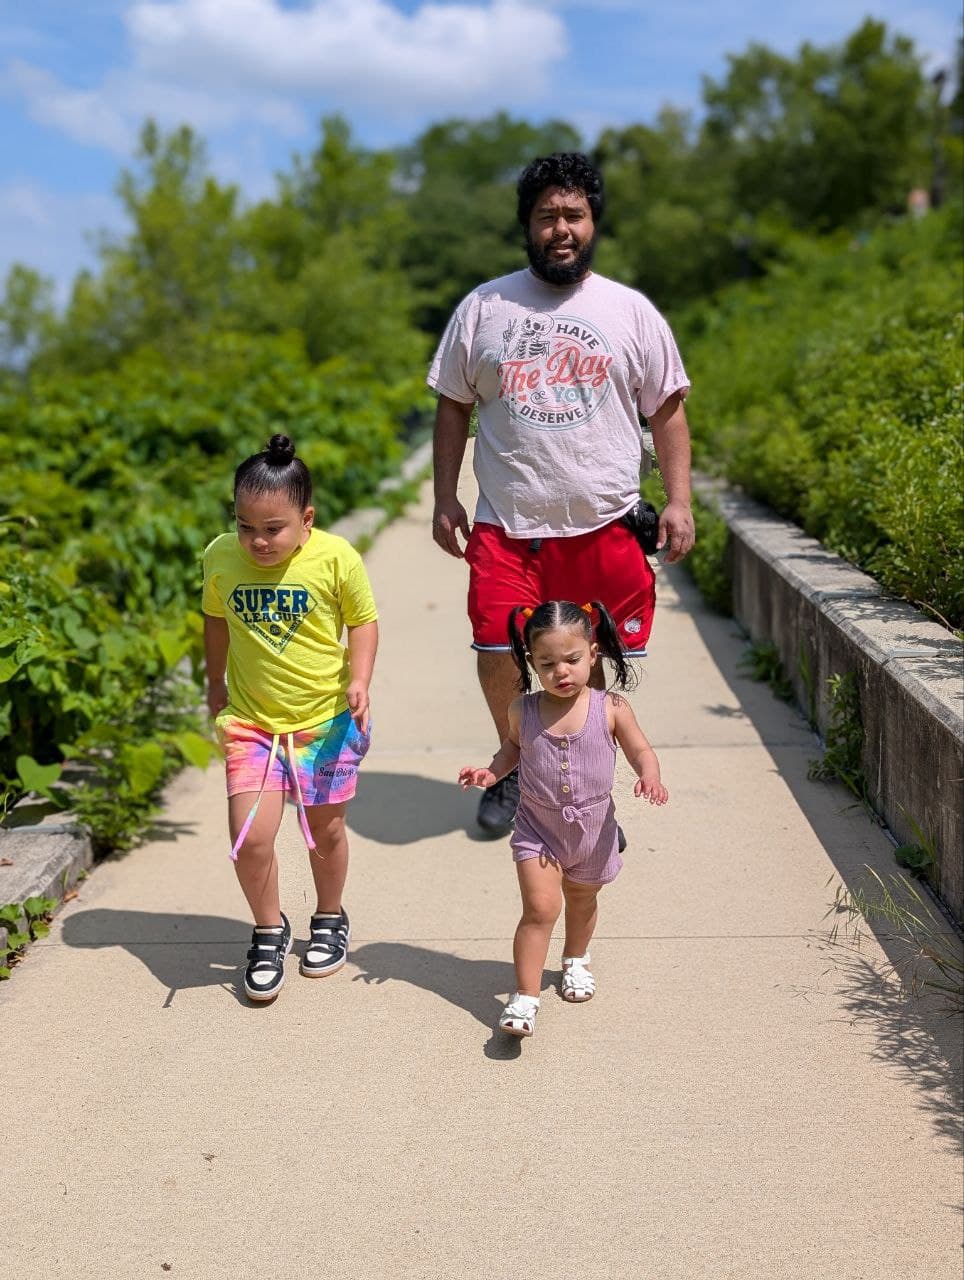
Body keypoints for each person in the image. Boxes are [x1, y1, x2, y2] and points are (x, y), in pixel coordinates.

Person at [428, 151, 693, 839]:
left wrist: (679, 499)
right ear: (528, 226)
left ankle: (585, 792)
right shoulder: (485, 306)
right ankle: (517, 767)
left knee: (586, 668)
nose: (561, 228)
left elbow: (666, 409)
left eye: (573, 214)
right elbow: (453, 406)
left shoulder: (629, 311)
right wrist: (445, 497)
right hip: (509, 526)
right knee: (496, 655)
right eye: (547, 216)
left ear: (593, 222)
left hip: (603, 526)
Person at [202, 434, 378, 1002]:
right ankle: (269, 928)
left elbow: (364, 621)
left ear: (306, 519)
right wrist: (213, 683)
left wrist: (359, 679)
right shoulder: (219, 556)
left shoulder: (336, 557)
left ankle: (329, 916)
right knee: (250, 836)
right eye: (245, 525)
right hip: (252, 723)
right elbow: (215, 622)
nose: (257, 540)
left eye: (273, 528)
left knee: (325, 831)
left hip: (325, 722)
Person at [459, 600, 668, 1037]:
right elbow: (511, 750)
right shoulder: (524, 709)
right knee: (540, 908)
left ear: (593, 654)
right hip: (538, 826)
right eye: (547, 662)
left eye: (572, 660)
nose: (561, 672)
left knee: (582, 899)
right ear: (531, 662)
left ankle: (575, 959)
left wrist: (650, 774)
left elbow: (639, 749)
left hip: (593, 830)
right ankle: (525, 996)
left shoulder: (610, 706)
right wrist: (489, 772)